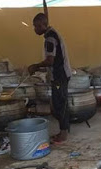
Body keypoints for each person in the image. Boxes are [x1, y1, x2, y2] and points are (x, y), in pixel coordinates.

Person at [28, 7, 71, 144]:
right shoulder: (51, 34)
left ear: (42, 25)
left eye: (35, 26)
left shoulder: (50, 38)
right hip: (60, 74)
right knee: (58, 103)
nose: (34, 29)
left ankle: (63, 133)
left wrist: (35, 66)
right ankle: (64, 130)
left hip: (60, 75)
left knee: (60, 104)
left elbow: (50, 60)